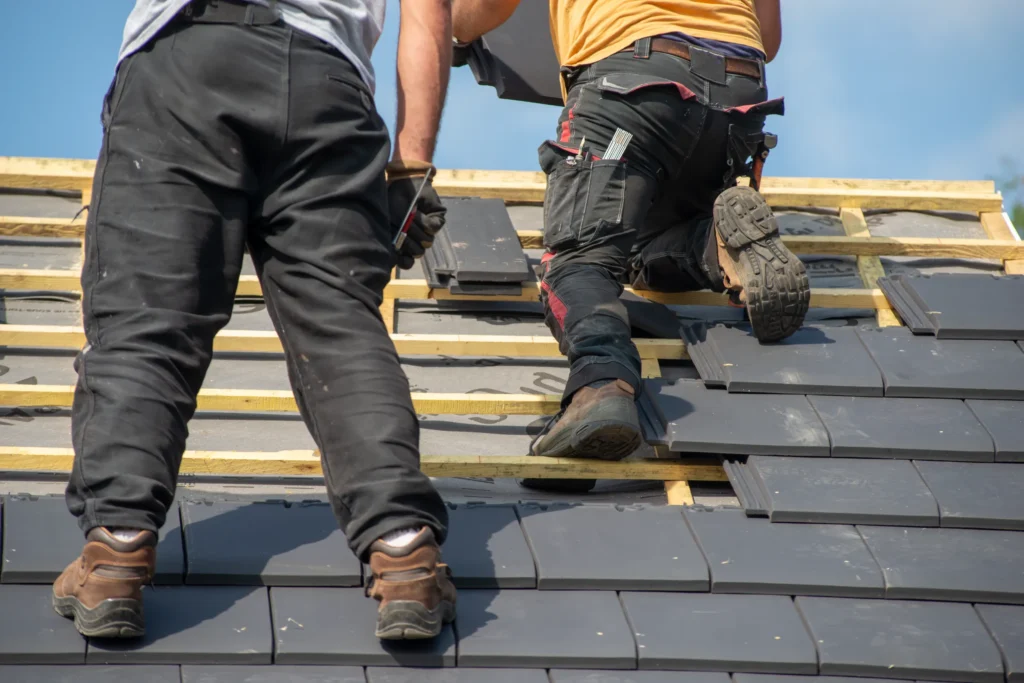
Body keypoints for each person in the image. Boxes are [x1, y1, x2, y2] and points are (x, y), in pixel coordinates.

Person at [53, 0, 457, 641]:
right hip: (329, 86)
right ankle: (405, 554)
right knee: (340, 326)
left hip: (186, 64)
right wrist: (410, 165)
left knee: (148, 321)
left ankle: (117, 552)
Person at [452, 0, 808, 471]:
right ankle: (719, 245)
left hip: (632, 93)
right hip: (737, 98)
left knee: (580, 259)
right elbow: (769, 36)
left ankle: (601, 385)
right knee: (640, 253)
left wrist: (449, 31)